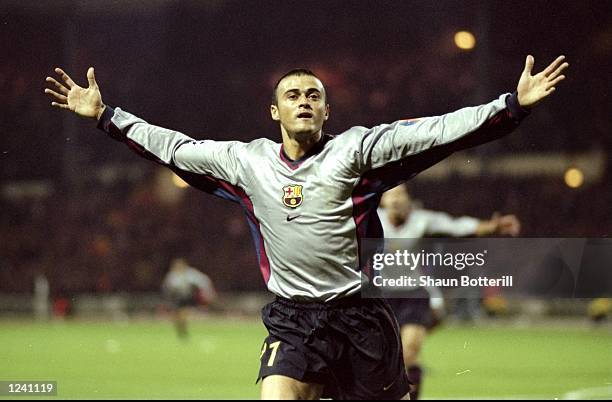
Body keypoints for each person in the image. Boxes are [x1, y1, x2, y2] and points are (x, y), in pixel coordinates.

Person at [44, 54, 568, 400]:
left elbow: (437, 133)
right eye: (293, 94)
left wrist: (511, 107)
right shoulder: (246, 163)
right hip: (294, 320)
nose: (304, 101)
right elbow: (174, 147)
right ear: (275, 111)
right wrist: (104, 116)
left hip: (361, 318)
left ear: (326, 110)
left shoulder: (357, 152)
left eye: (313, 95)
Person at [378, 183, 521, 399]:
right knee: (383, 359)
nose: (397, 199)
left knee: (409, 351)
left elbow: (455, 225)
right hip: (382, 297)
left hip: (413, 293)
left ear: (408, 199)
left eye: (401, 194)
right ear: (382, 201)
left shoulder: (421, 220)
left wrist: (490, 227)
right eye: (392, 195)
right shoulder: (371, 219)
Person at [162, 257, 217, 339]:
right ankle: (181, 330)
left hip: (186, 297)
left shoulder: (190, 274)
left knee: (183, 313)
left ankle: (183, 331)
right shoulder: (172, 275)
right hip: (176, 297)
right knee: (176, 316)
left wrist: (208, 292)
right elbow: (167, 287)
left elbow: (204, 281)